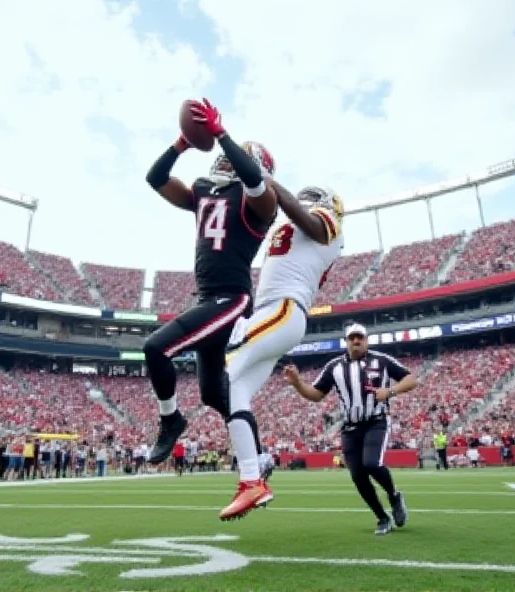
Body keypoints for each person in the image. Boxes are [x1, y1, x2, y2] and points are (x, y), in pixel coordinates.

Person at [143, 98, 278, 464]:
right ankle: (260, 455)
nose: (222, 160)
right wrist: (181, 144)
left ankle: (170, 420)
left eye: (231, 157)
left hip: (232, 299)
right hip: (206, 299)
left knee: (156, 348)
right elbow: (155, 179)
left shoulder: (262, 203)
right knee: (214, 394)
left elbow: (252, 180)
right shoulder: (204, 192)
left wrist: (221, 134)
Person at [218, 182, 344, 520]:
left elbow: (311, 223)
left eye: (315, 197)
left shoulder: (328, 226)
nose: (307, 199)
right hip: (269, 312)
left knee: (223, 373)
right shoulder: (288, 223)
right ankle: (252, 475)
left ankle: (254, 468)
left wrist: (267, 182)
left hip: (284, 309)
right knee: (234, 390)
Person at [283, 323, 418, 535]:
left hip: (376, 421)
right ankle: (382, 518)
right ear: (346, 342)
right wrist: (298, 383)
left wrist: (390, 391)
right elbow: (317, 394)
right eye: (352, 338)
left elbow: (410, 379)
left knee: (372, 464)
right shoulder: (334, 366)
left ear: (366, 340)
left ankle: (394, 495)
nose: (356, 341)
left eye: (360, 337)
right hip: (350, 427)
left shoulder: (381, 360)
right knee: (357, 476)